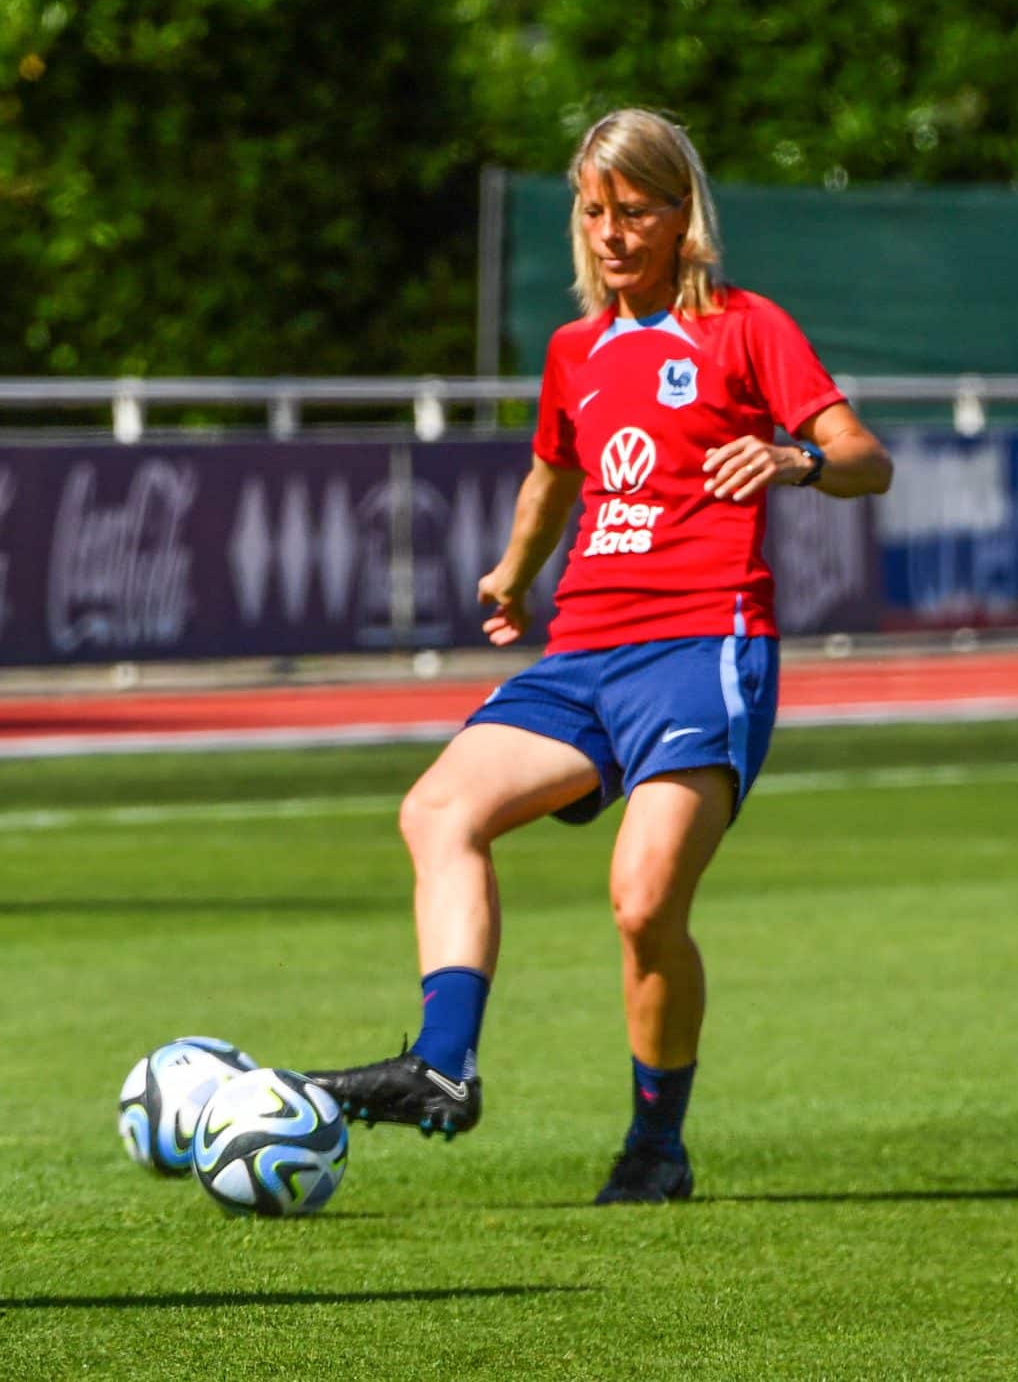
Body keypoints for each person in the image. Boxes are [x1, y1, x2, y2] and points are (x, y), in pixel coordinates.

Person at [310, 108, 891, 1204]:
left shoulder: (745, 328)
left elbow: (867, 460)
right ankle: (443, 1062)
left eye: (634, 212)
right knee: (438, 812)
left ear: (682, 216)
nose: (611, 234)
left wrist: (794, 458)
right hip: (582, 652)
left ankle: (654, 1145)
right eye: (593, 212)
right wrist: (512, 572)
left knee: (641, 905)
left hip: (703, 645)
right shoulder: (574, 351)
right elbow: (553, 474)